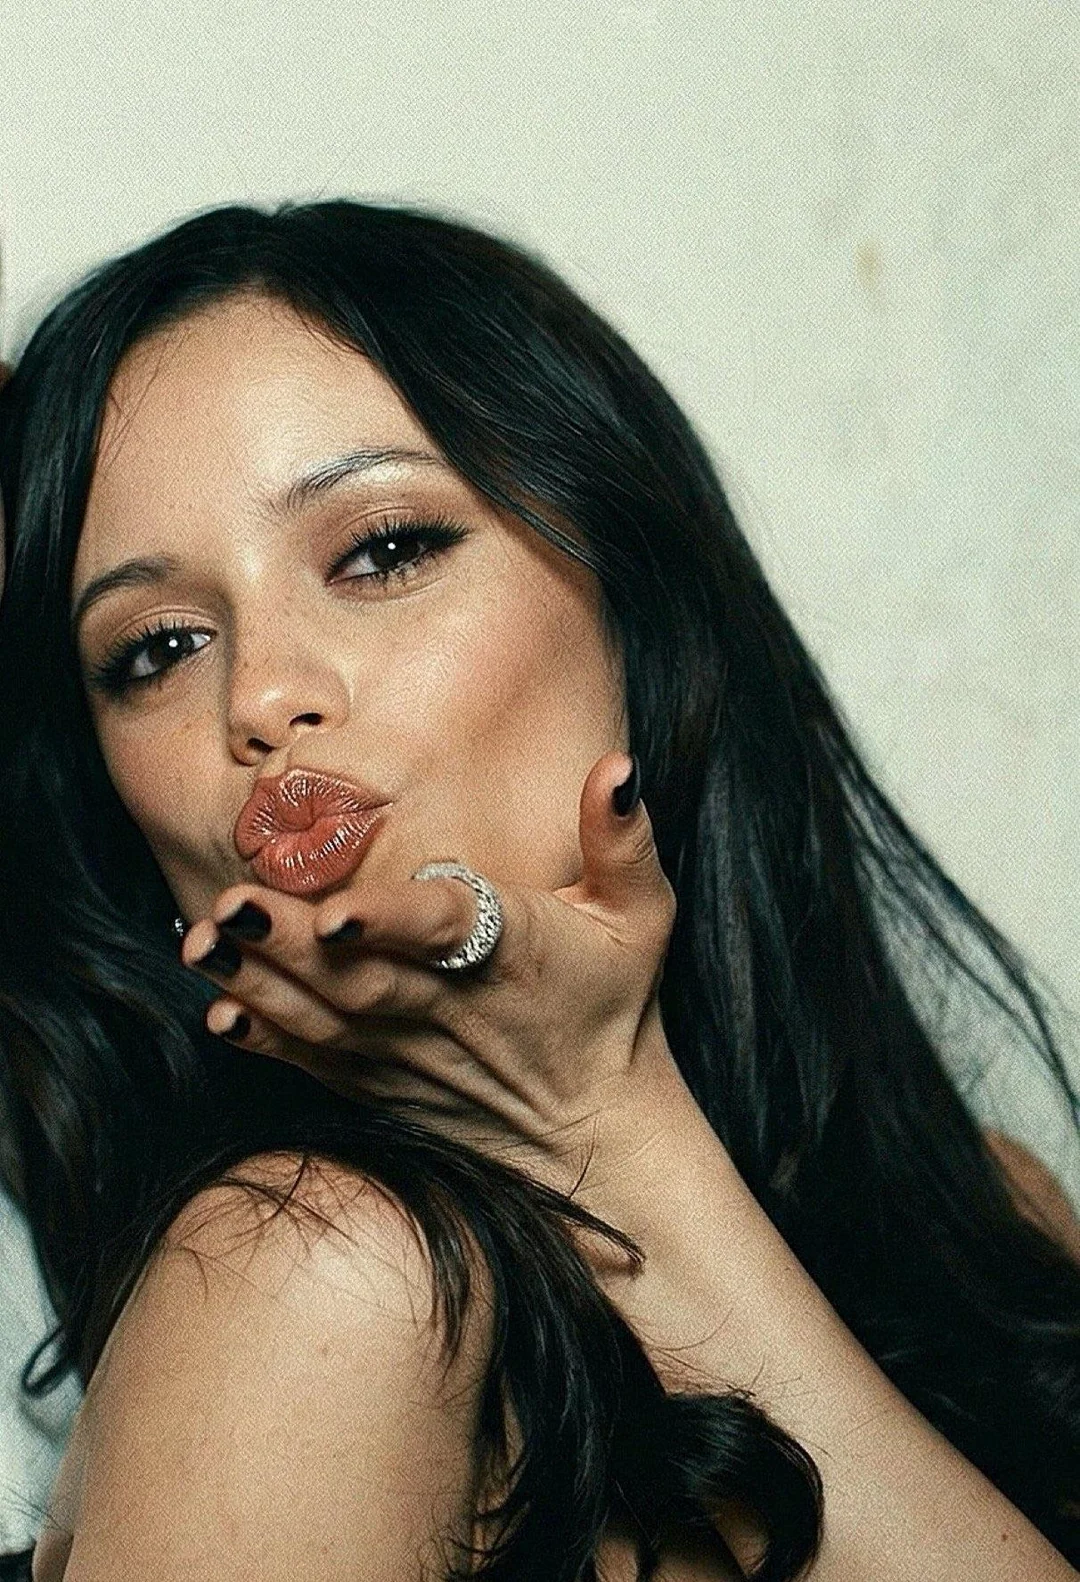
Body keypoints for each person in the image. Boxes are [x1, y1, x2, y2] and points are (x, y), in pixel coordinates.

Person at [0, 200, 1077, 1581]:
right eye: (156, 647)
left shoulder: (983, 1214)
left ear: (636, 603)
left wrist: (611, 1129)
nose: (261, 694)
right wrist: (583, 1123)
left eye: (384, 549)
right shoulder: (314, 1273)